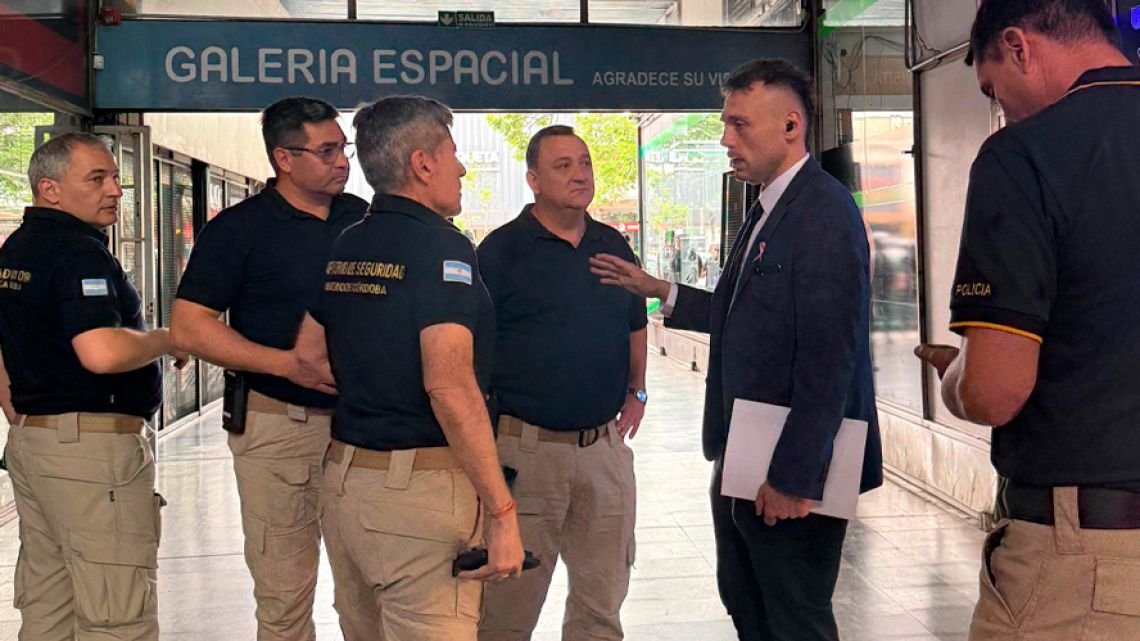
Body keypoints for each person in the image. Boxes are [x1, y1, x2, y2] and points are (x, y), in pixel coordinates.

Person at [589, 59, 882, 641]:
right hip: (747, 453)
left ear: (791, 126)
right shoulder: (768, 208)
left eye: (740, 125)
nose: (725, 139)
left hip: (792, 468)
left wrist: (796, 476)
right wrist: (662, 291)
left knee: (793, 617)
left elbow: (830, 356)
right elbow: (744, 310)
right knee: (749, 603)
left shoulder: (822, 214)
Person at [914, 2, 1140, 639]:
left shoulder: (1024, 157)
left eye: (993, 90)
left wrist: (958, 372)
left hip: (1090, 563)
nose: (1002, 109)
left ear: (1018, 46)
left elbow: (994, 391)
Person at [293, 95, 524, 641]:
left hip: (348, 483)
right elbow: (448, 385)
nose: (462, 168)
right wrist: (502, 511)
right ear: (422, 164)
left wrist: (373, 381)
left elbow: (308, 353)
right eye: (453, 153)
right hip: (418, 494)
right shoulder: (441, 249)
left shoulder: (350, 242)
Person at [170, 96, 367, 641]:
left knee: (369, 590)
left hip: (367, 431)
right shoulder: (239, 229)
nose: (342, 162)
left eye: (342, 148)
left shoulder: (364, 220)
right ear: (284, 157)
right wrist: (287, 365)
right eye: (326, 151)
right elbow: (191, 326)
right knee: (284, 597)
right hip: (281, 430)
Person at [0, 133, 187, 640]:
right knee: (115, 613)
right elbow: (101, 352)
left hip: (35, 445)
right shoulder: (77, 253)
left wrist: (23, 419)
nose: (115, 191)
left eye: (116, 179)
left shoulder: (18, 248)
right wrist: (168, 338)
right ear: (50, 188)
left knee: (48, 605)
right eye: (97, 178)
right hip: (89, 455)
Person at [476, 126, 647, 641]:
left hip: (603, 452)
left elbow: (635, 324)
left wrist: (637, 391)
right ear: (533, 180)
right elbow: (471, 353)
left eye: (585, 162)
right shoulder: (501, 252)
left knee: (602, 604)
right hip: (526, 455)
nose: (580, 174)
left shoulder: (613, 244)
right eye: (563, 166)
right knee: (508, 608)